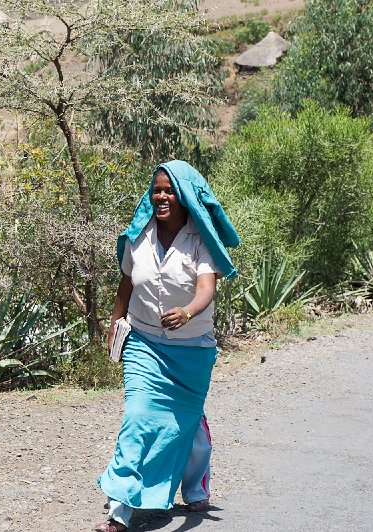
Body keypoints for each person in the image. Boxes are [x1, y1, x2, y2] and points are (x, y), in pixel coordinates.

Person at [95, 160, 239, 532]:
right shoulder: (136, 236)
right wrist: (115, 325)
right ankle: (120, 510)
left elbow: (206, 288)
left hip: (192, 348)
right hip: (144, 342)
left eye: (169, 190)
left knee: (184, 423)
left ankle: (193, 486)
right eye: (156, 189)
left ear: (184, 196)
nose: (161, 196)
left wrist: (188, 312)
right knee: (138, 417)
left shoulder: (200, 239)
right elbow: (126, 283)